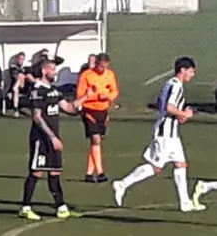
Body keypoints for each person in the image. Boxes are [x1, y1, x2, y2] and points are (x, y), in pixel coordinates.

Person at [113, 57, 204, 212]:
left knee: (181, 164)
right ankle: (122, 184)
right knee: (156, 167)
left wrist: (181, 115)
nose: (192, 75)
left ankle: (185, 202)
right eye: (191, 71)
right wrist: (184, 114)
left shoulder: (171, 84)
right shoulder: (175, 86)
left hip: (171, 132)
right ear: (182, 70)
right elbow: (169, 107)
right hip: (165, 133)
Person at [19, 57, 84, 221]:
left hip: (54, 139)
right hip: (41, 139)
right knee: (37, 172)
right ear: (44, 71)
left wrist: (86, 99)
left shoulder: (54, 91)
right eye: (53, 69)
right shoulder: (37, 91)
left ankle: (61, 207)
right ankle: (25, 207)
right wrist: (53, 137)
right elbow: (37, 117)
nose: (55, 73)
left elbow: (68, 107)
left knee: (55, 172)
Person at [75, 52, 119, 183]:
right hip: (89, 110)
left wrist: (108, 96)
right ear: (96, 63)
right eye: (100, 66)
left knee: (96, 142)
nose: (102, 69)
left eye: (105, 66)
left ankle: (89, 173)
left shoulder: (110, 74)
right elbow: (80, 95)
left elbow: (114, 91)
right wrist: (95, 96)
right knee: (96, 139)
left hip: (103, 111)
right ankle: (100, 172)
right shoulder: (86, 75)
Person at [8, 52, 30, 117]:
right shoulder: (13, 67)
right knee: (16, 90)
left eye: (22, 59)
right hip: (16, 85)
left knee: (22, 76)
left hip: (23, 86)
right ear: (17, 59)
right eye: (19, 59)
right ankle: (16, 110)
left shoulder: (25, 67)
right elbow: (15, 77)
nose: (21, 60)